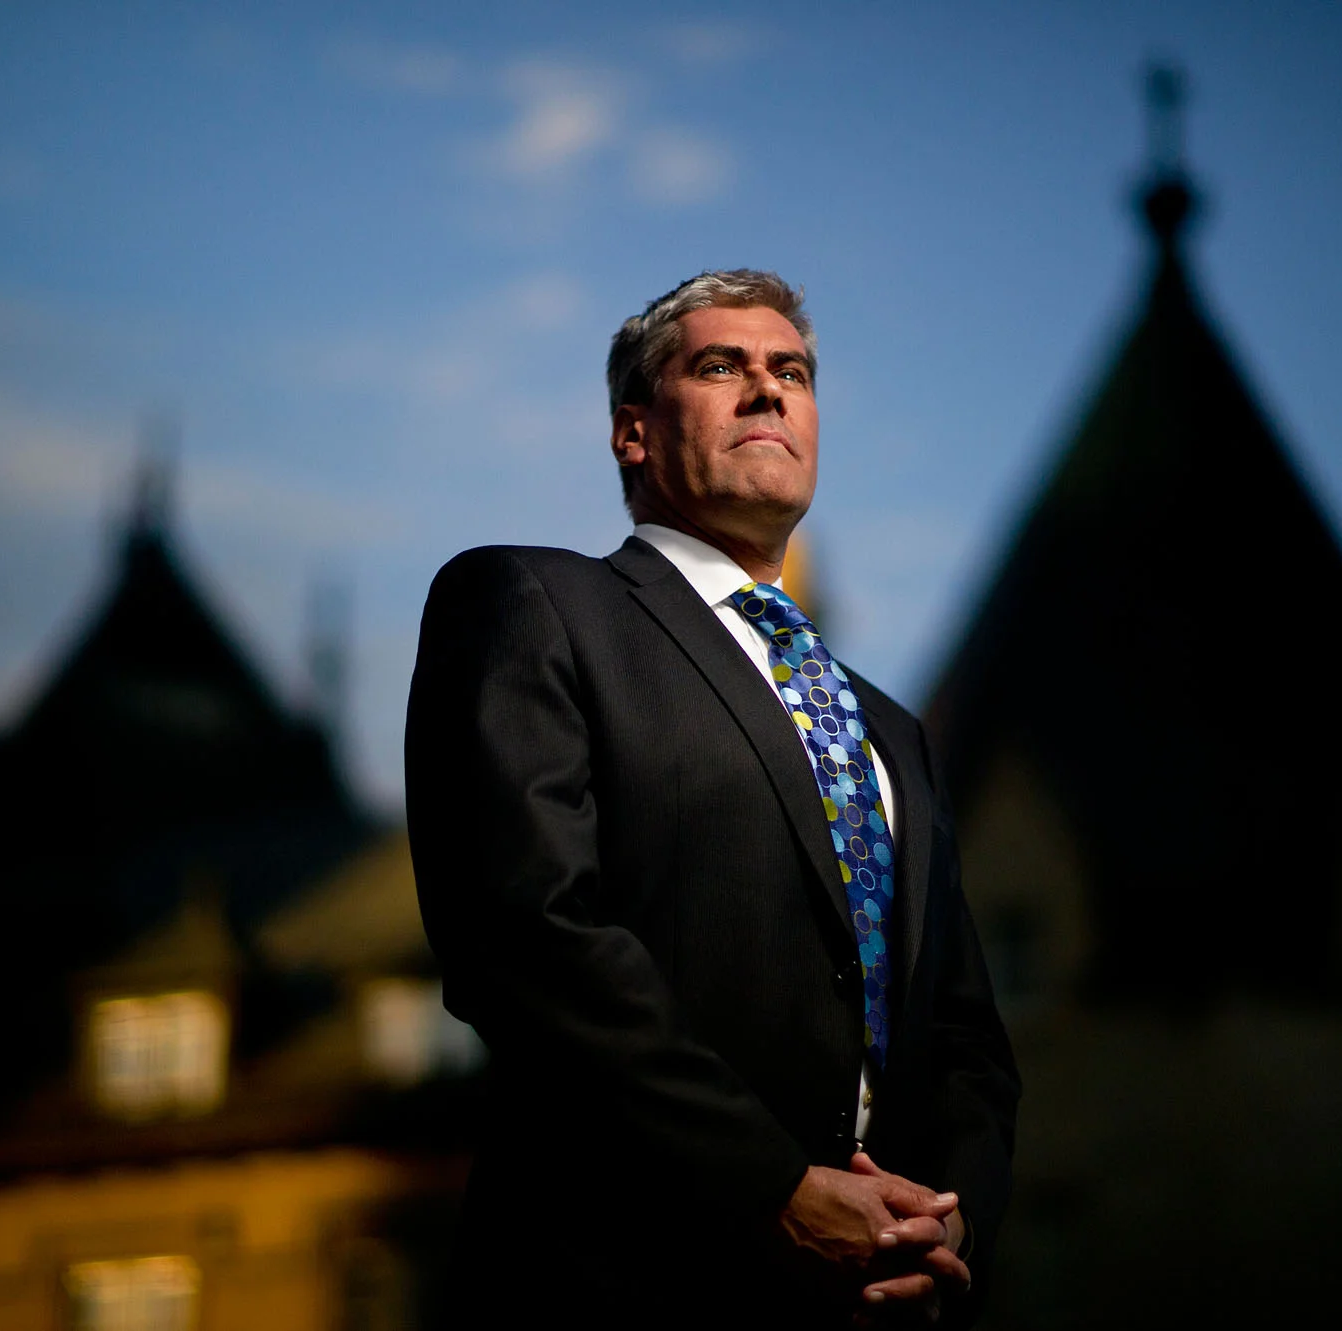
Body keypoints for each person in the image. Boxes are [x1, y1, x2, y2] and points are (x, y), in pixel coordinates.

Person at [406, 270, 1019, 1328]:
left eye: (790, 371)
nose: (765, 390)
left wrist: (949, 1221)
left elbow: (964, 1032)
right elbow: (527, 938)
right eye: (718, 366)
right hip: (619, 1278)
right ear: (632, 433)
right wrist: (769, 1186)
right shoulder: (535, 605)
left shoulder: (889, 728)